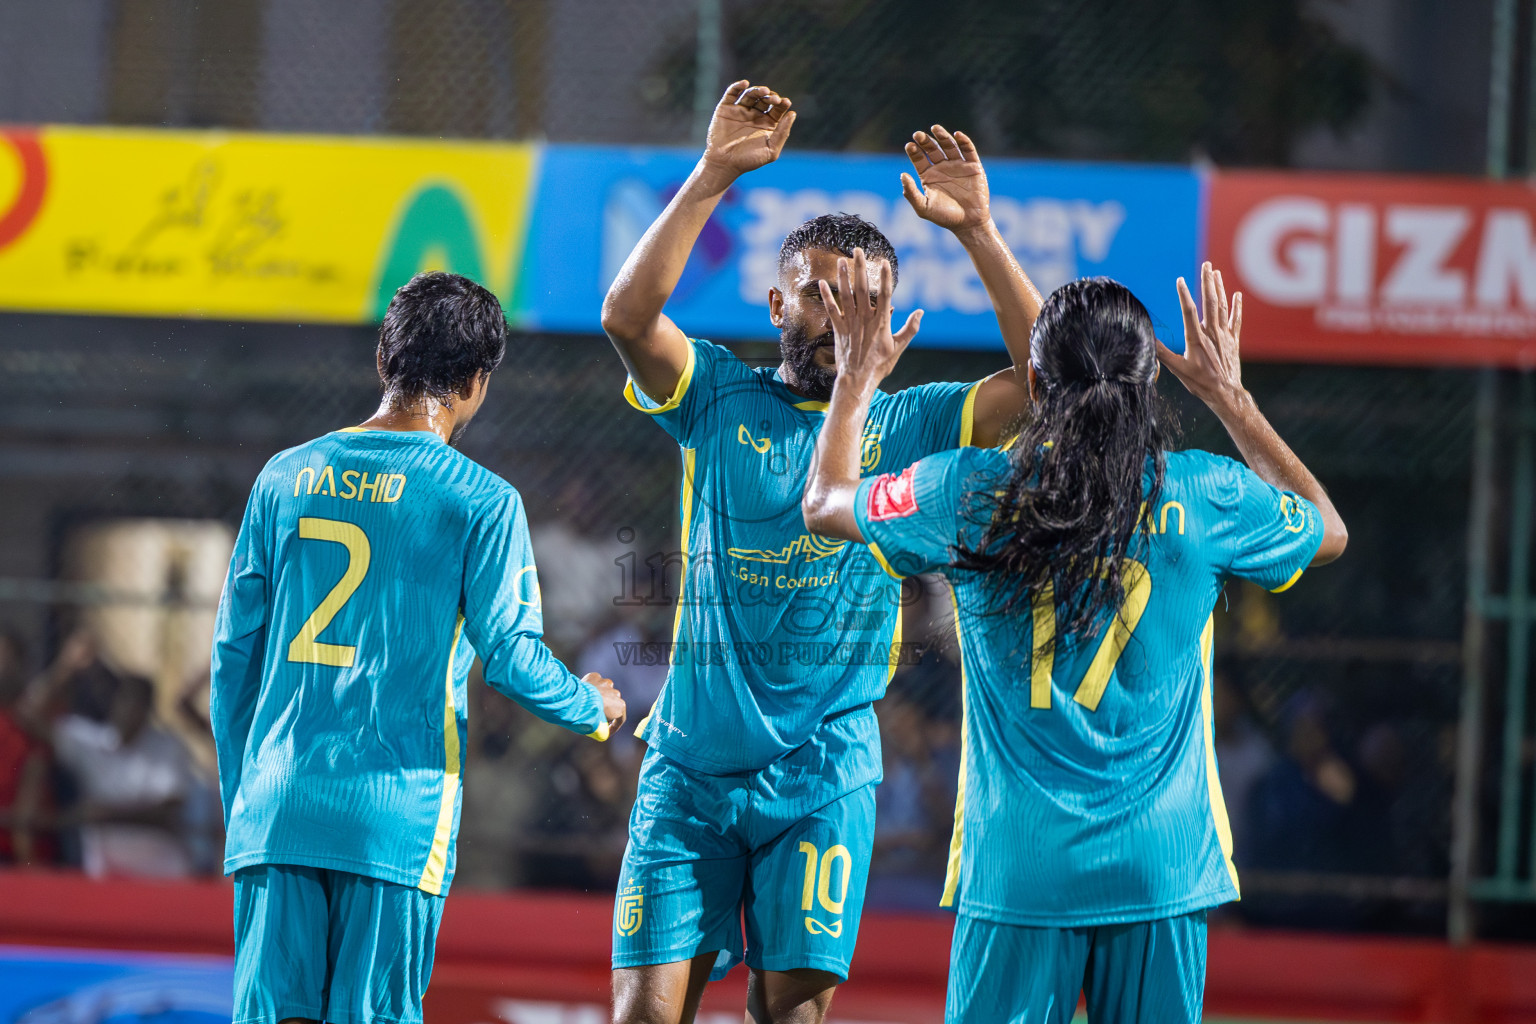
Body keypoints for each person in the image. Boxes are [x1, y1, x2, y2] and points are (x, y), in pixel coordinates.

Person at [600, 77, 1042, 1023]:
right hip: (689, 767)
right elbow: (628, 319)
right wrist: (715, 172)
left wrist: (977, 234)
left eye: (863, 302)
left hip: (823, 770)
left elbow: (1049, 385)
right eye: (820, 295)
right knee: (643, 1016)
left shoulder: (918, 420)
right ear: (775, 303)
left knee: (790, 1016)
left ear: (892, 317)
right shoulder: (716, 392)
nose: (843, 318)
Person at [802, 258, 1347, 1022]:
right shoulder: (1204, 492)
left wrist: (855, 384)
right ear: (1151, 384)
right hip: (1161, 870)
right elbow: (1326, 528)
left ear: (1033, 388)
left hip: (1017, 868)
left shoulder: (967, 491)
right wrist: (1232, 399)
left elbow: (825, 503)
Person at [211, 271, 627, 1024]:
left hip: (276, 810)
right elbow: (511, 656)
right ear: (476, 382)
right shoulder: (480, 501)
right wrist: (590, 707)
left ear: (383, 359)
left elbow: (232, 660)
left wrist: (249, 799)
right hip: (393, 818)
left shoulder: (284, 477)